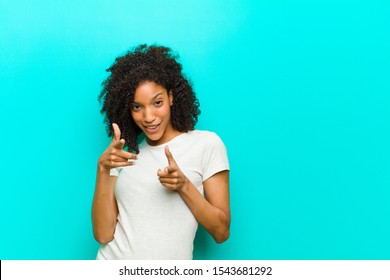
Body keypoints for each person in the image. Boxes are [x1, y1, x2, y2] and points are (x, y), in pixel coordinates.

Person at [92, 44, 230, 260]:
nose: (148, 117)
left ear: (171, 97)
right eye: (137, 107)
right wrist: (103, 169)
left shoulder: (206, 144)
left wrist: (183, 185)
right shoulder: (123, 156)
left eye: (157, 103)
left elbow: (221, 231)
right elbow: (102, 235)